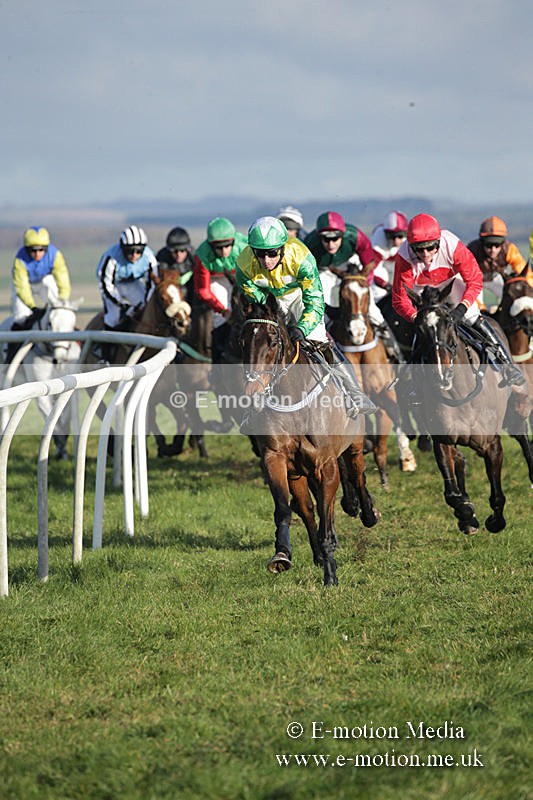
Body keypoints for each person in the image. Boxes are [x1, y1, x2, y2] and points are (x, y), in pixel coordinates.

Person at [236, 215, 374, 418]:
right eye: (260, 254)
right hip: (270, 300)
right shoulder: (243, 264)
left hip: (302, 298)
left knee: (319, 341)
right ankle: (252, 402)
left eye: (272, 253)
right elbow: (250, 291)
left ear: (282, 247)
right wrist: (269, 309)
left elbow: (315, 301)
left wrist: (302, 327)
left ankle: (354, 394)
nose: (266, 260)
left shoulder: (302, 259)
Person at [392, 213, 525, 386]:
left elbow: (475, 280)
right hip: (421, 287)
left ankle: (507, 366)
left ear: (438, 242)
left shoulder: (452, 245)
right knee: (424, 328)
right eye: (419, 249)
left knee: (471, 316)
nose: (425, 254)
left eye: (430, 247)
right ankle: (412, 379)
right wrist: (417, 318)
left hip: (451, 282)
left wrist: (461, 308)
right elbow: (400, 299)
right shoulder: (404, 256)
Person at [304, 210, 398, 357]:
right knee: (320, 308)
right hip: (324, 271)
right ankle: (327, 348)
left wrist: (363, 284)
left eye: (335, 238)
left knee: (372, 308)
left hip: (351, 265)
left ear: (343, 234)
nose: (331, 244)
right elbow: (308, 279)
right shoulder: (309, 245)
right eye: (326, 239)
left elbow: (369, 264)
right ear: (319, 237)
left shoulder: (356, 236)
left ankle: (395, 352)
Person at [6, 226, 72, 362]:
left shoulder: (55, 255)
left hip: (43, 282)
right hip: (25, 286)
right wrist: (33, 307)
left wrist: (63, 300)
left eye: (41, 250)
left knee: (59, 307)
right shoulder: (20, 259)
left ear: (46, 248)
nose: (37, 254)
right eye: (33, 250)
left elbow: (62, 278)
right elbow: (22, 286)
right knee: (20, 318)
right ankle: (11, 354)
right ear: (26, 249)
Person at [95, 225, 158, 362]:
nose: (134, 255)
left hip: (132, 283)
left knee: (144, 308)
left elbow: (152, 284)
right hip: (113, 285)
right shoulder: (111, 257)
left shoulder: (149, 258)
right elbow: (106, 285)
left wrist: (145, 304)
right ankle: (105, 355)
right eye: (130, 252)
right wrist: (122, 305)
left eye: (138, 251)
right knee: (113, 317)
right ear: (123, 249)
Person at [194, 217, 248, 361]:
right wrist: (223, 312)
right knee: (222, 313)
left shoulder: (244, 245)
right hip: (215, 279)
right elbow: (203, 290)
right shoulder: (202, 255)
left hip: (239, 276)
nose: (224, 251)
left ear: (233, 241)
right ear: (210, 245)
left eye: (228, 245)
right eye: (218, 247)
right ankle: (218, 356)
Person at [467, 216, 530, 308]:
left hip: (495, 278)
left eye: (497, 245)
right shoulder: (471, 251)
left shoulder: (509, 249)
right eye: (489, 245)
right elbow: (466, 280)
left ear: (502, 243)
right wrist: (481, 308)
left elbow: (525, 274)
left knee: (514, 297)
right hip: (474, 282)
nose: (493, 250)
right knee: (476, 308)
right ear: (482, 242)